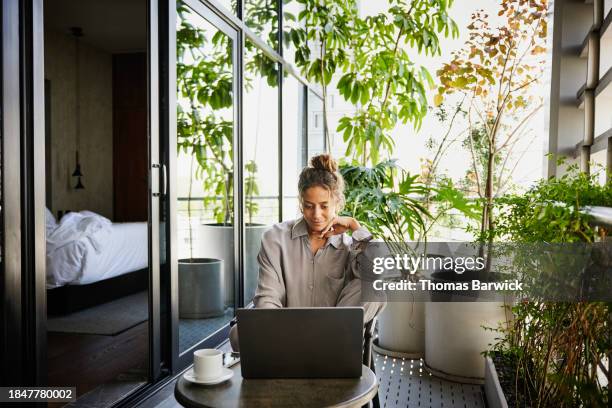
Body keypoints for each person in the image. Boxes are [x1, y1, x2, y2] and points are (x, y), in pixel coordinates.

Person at [229, 154, 385, 351]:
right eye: (309, 206)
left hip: (332, 337)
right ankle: (304, 347)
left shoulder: (349, 246)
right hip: (284, 335)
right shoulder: (275, 238)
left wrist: (356, 226)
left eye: (324, 206)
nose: (316, 215)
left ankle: (320, 344)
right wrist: (270, 327)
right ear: (300, 202)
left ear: (338, 203)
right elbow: (267, 298)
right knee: (238, 334)